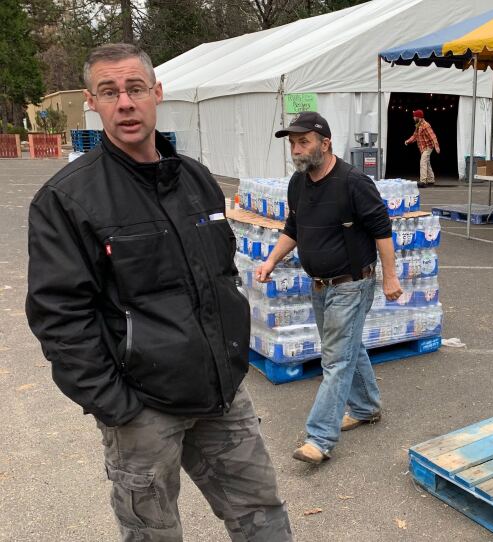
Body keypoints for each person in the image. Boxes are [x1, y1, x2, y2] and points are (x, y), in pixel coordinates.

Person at [25, 44, 292, 541]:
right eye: (109, 92)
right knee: (153, 535)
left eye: (134, 88)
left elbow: (219, 277)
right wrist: (116, 404)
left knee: (262, 514)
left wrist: (230, 363)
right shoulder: (67, 200)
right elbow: (59, 317)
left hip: (221, 396)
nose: (125, 102)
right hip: (142, 409)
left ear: (156, 93)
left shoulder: (195, 179)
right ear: (93, 103)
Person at [255, 111, 402, 465]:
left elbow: (381, 228)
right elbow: (294, 226)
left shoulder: (353, 182)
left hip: (352, 283)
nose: (296, 150)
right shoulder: (298, 183)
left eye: (303, 142)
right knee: (347, 348)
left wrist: (391, 276)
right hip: (319, 286)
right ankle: (366, 407)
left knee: (335, 360)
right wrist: (271, 260)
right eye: (292, 143)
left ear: (325, 142)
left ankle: (319, 439)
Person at [404, 109, 440, 187]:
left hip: (428, 147)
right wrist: (408, 141)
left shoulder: (425, 125)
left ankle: (423, 181)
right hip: (423, 148)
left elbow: (433, 136)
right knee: (427, 162)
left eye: (414, 116)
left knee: (423, 162)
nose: (413, 118)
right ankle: (431, 180)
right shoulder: (418, 125)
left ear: (418, 117)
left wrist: (437, 147)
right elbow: (415, 136)